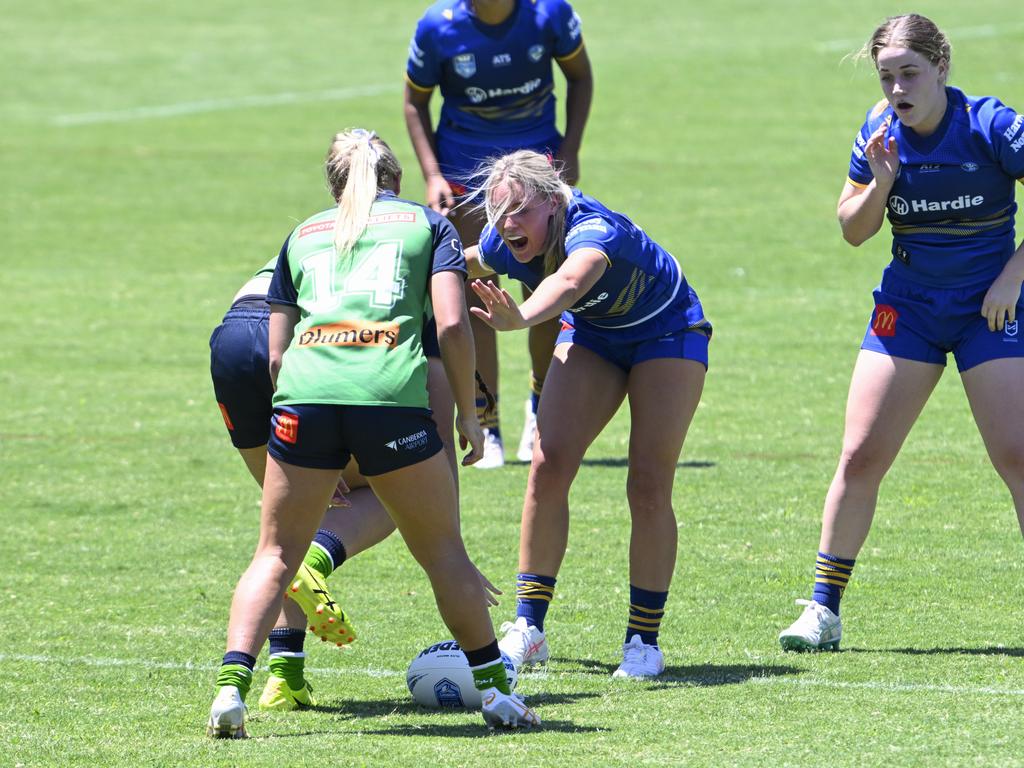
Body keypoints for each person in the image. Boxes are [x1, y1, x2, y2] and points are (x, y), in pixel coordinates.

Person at [206, 129, 539, 737]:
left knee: (275, 554)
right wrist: (471, 414)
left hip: (302, 396)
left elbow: (277, 356)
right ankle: (495, 694)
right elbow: (451, 326)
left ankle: (231, 692)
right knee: (442, 554)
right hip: (387, 394)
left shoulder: (301, 234)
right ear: (397, 179)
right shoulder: (427, 225)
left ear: (334, 183)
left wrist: (305, 438)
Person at [779, 14, 1024, 651]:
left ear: (942, 68)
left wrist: (1013, 277)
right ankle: (823, 610)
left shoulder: (991, 125)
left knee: (1018, 455)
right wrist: (882, 180)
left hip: (989, 310)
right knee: (860, 456)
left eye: (909, 73)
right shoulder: (878, 131)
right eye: (886, 76)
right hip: (909, 307)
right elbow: (854, 229)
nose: (896, 88)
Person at [464, 150, 711, 678]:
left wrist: (521, 317)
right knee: (546, 468)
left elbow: (572, 281)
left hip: (668, 333)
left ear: (552, 203)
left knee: (647, 484)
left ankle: (644, 641)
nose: (507, 224)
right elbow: (463, 263)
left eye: (520, 210)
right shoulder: (503, 239)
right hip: (597, 336)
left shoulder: (594, 231)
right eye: (496, 211)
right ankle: (528, 629)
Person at [404, 0, 593, 467]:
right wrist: (431, 176)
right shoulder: (438, 26)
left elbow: (581, 77)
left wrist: (569, 154)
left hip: (537, 175)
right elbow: (415, 102)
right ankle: (486, 423)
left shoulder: (548, 14)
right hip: (466, 177)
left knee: (546, 292)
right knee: (474, 294)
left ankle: (541, 406)